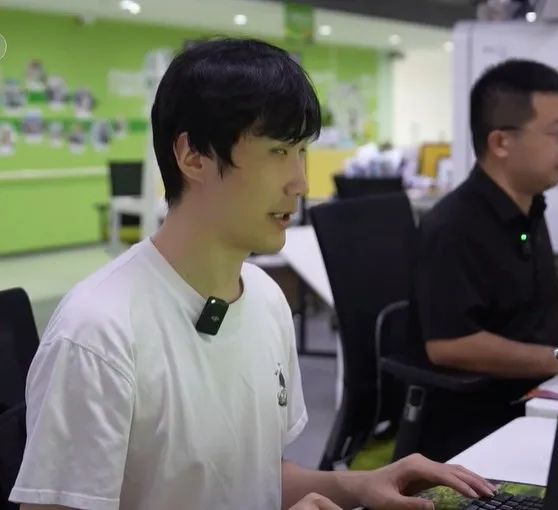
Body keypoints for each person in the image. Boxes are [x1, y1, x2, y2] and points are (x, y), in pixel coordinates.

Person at [10, 39, 495, 510]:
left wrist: (362, 486)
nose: (301, 183)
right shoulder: (97, 335)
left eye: (302, 152)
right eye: (279, 152)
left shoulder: (265, 298)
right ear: (193, 157)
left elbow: (258, 478)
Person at [414, 59, 558, 460]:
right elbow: (450, 345)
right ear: (501, 142)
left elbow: (538, 295)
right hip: (481, 429)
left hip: (533, 399)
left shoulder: (528, 207)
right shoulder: (452, 227)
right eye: (557, 133)